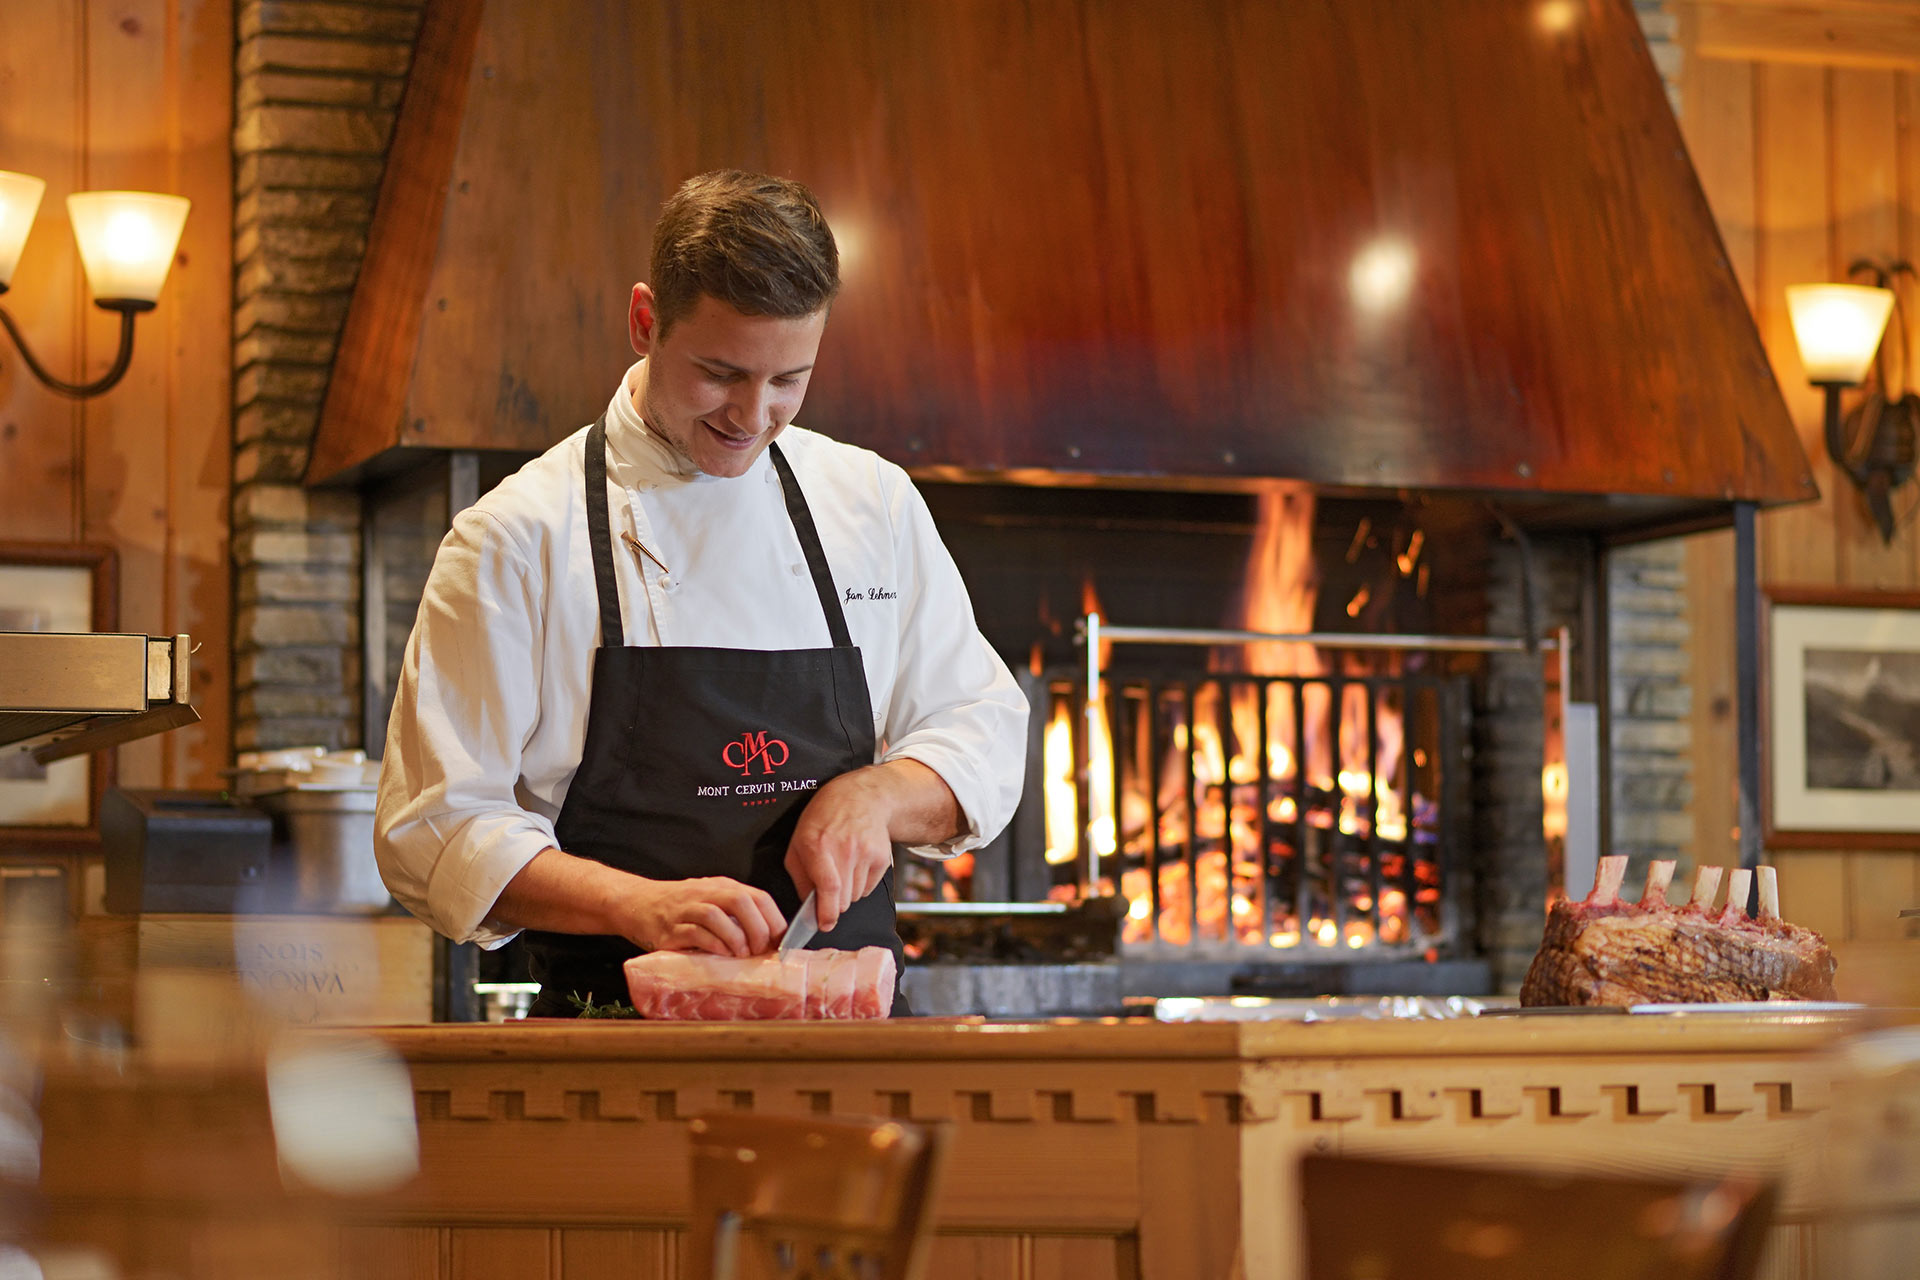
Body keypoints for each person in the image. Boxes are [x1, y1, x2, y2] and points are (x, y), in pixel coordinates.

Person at [374, 170, 1027, 1016]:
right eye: (720, 374)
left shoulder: (872, 503)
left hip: (850, 1045)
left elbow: (982, 727)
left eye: (789, 380)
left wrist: (877, 794)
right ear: (645, 322)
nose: (754, 417)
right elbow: (436, 828)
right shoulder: (517, 539)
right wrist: (632, 905)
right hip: (612, 1045)